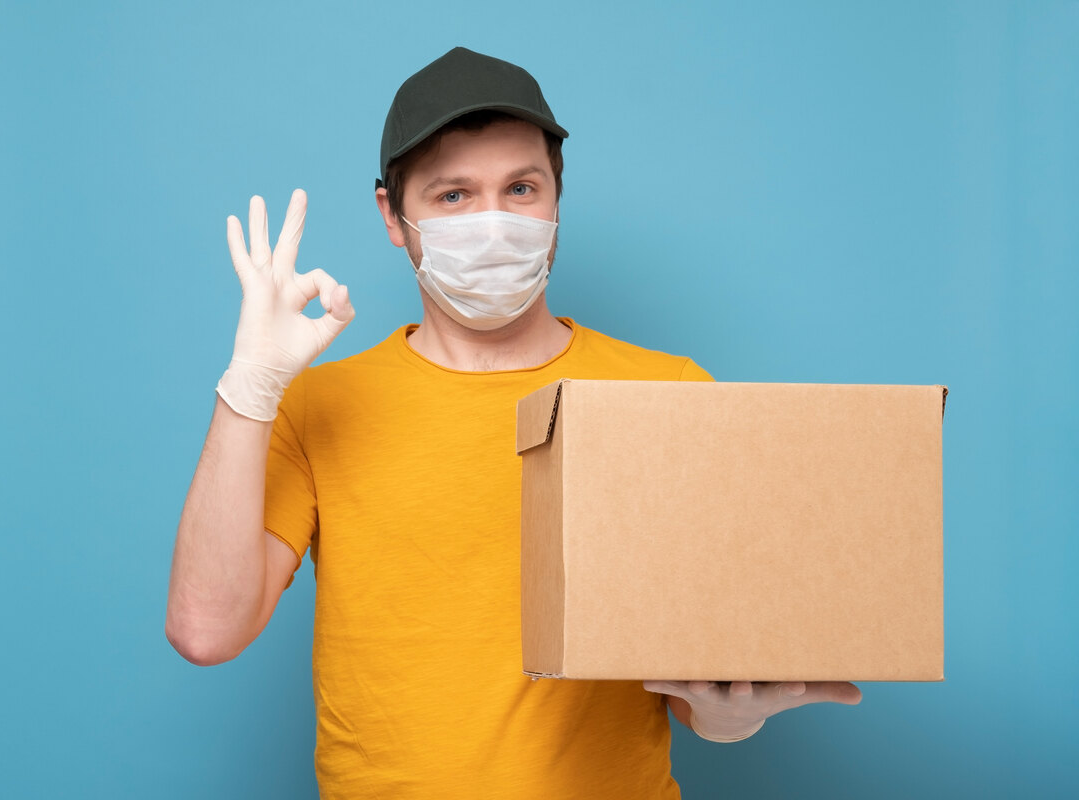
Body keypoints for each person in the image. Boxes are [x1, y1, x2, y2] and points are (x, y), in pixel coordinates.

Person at [167, 46, 861, 799]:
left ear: (558, 196)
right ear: (393, 217)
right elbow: (208, 629)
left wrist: (731, 716)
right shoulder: (319, 406)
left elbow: (703, 660)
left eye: (520, 189)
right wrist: (250, 389)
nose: (494, 227)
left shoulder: (669, 392)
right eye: (454, 196)